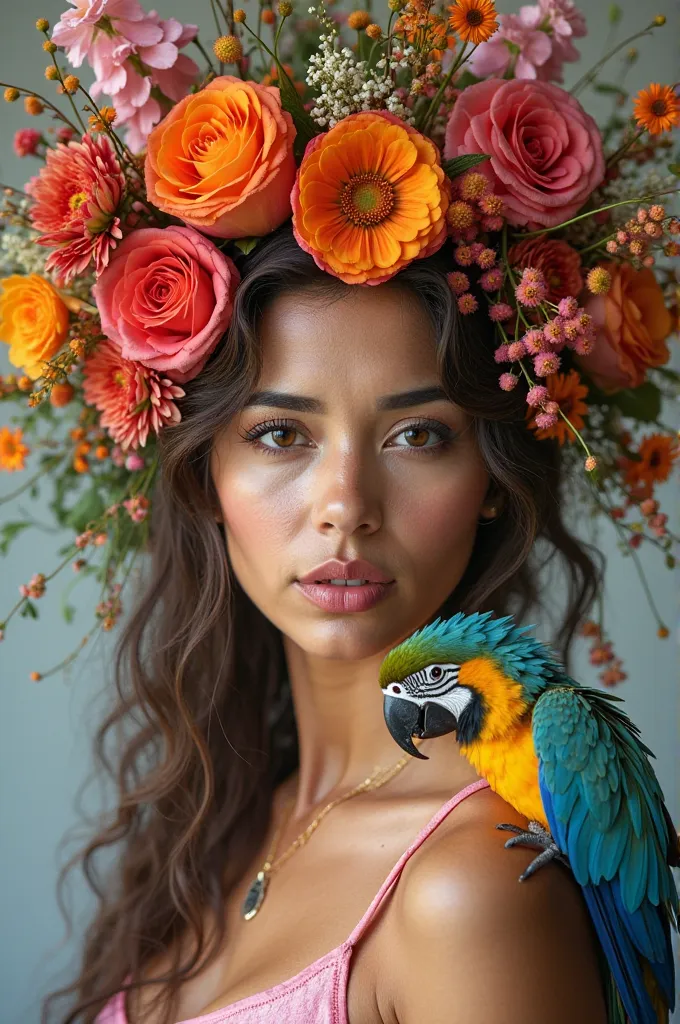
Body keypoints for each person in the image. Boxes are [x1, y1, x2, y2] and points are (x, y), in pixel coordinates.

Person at [45, 224, 608, 1024]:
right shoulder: (220, 826)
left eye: (417, 435)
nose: (346, 505)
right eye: (281, 434)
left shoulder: (475, 888)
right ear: (206, 474)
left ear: (489, 475)